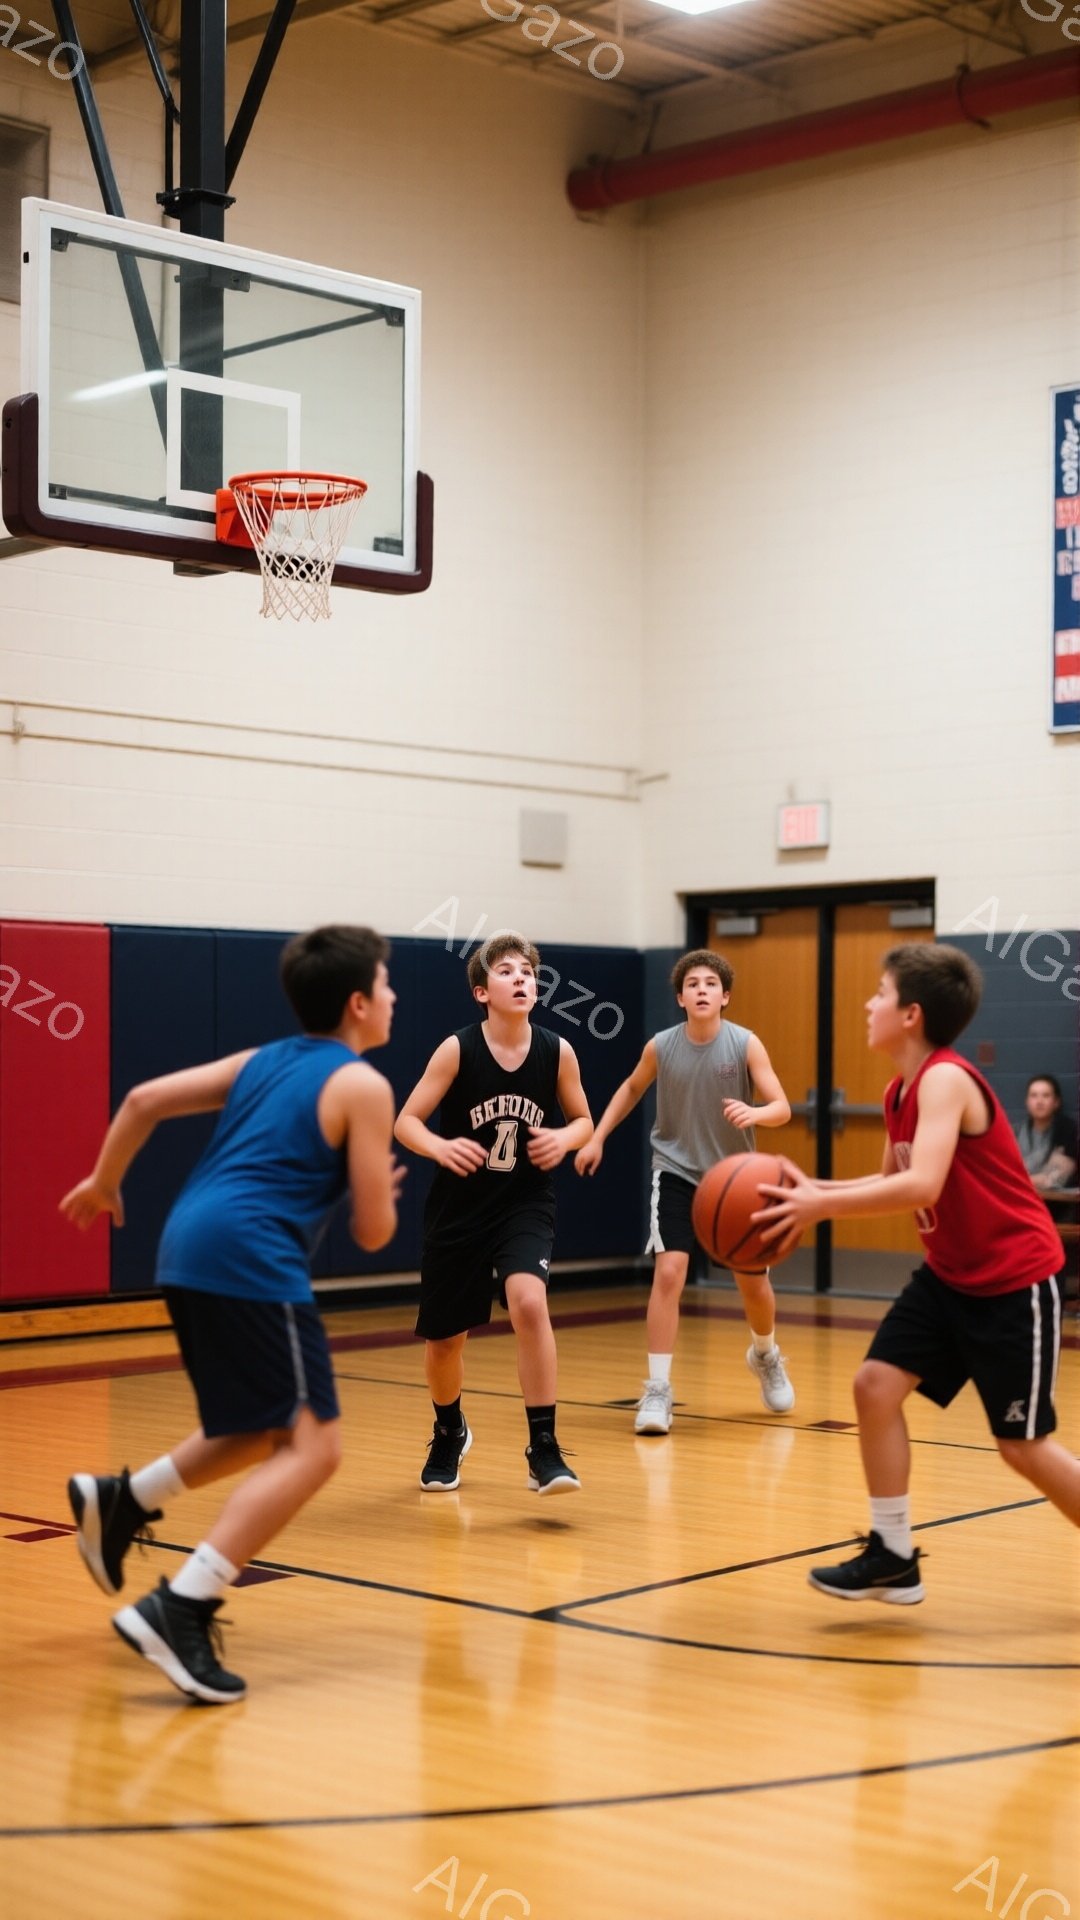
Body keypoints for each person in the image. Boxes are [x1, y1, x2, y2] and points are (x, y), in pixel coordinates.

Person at [61, 924, 402, 1703]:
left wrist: (106, 1181)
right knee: (317, 1448)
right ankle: (182, 1605)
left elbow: (144, 1099)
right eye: (386, 985)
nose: (393, 997)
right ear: (357, 1004)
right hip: (251, 1256)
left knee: (257, 1426)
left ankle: (124, 1501)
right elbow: (374, 1232)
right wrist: (371, 1181)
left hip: (185, 1245)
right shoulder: (363, 1086)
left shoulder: (263, 1060)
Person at [757, 943, 1075, 1604]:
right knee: (874, 1386)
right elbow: (888, 1181)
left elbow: (923, 1184)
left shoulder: (947, 1079)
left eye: (880, 992)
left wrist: (818, 1204)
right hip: (950, 1276)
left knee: (1021, 1447)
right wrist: (808, 1188)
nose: (869, 1003)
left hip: (1014, 1281)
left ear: (911, 1014)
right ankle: (894, 1554)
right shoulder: (900, 1087)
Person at [395, 932, 592, 1495]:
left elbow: (583, 1119)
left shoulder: (558, 1051)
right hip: (458, 1208)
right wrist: (438, 1147)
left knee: (529, 1301)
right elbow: (406, 1121)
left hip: (523, 1202)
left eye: (528, 972)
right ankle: (449, 1429)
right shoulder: (457, 1049)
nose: (521, 979)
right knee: (445, 1341)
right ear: (483, 991)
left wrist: (565, 1138)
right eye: (507, 972)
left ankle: (545, 1448)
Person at [575, 947, 794, 1434]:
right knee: (670, 1271)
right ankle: (657, 1390)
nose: (701, 990)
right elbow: (632, 1089)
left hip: (734, 1179)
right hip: (675, 1170)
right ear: (680, 996)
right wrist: (596, 1137)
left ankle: (765, 1354)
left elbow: (781, 1105)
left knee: (753, 1284)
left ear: (725, 996)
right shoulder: (661, 1046)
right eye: (692, 984)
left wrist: (756, 1113)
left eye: (710, 984)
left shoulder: (745, 1044)